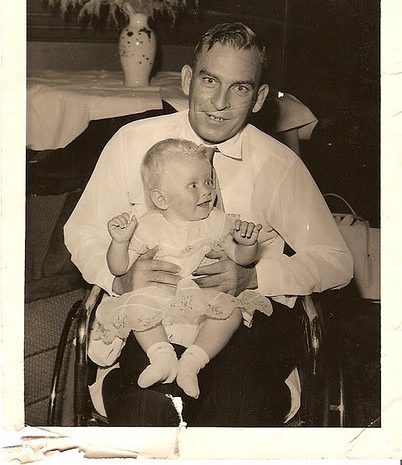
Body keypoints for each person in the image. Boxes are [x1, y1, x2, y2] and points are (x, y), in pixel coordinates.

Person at [64, 22, 353, 426]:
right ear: (187, 79)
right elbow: (83, 231)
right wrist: (120, 278)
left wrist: (255, 277)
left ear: (259, 98)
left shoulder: (279, 164)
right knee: (151, 409)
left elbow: (337, 261)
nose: (220, 102)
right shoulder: (132, 142)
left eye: (240, 87)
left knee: (231, 408)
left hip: (238, 323)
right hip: (154, 314)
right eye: (209, 80)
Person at [90, 138, 271, 399]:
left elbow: (240, 259)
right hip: (159, 301)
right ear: (161, 199)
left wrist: (247, 245)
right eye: (193, 185)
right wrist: (119, 242)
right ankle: (162, 358)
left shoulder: (216, 222)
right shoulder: (147, 226)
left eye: (208, 181)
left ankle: (192, 363)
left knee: (231, 313)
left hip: (202, 301)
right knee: (138, 308)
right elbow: (119, 268)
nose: (207, 191)